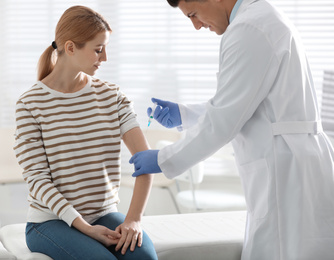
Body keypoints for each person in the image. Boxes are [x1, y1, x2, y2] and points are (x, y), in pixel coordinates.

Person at [129, 0, 334, 259]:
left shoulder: (249, 28)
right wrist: (184, 115)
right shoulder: (262, 18)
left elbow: (225, 120)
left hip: (286, 173)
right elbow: (243, 106)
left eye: (193, 14)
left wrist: (162, 158)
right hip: (294, 164)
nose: (195, 26)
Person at [13, 5, 157, 260]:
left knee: (144, 257)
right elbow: (38, 180)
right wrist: (86, 229)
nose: (105, 58)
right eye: (98, 50)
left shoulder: (112, 96)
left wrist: (133, 220)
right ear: (70, 48)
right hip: (50, 222)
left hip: (104, 214)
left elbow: (145, 162)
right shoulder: (30, 104)